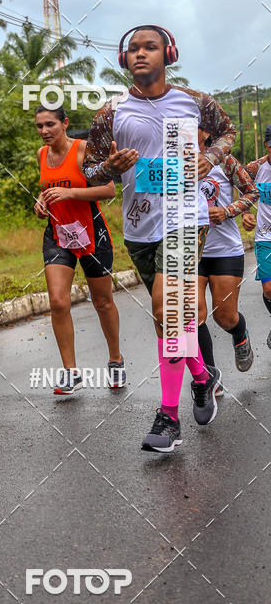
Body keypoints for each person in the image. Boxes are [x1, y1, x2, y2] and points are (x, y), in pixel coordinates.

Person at [83, 24, 236, 452]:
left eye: (150, 46)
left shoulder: (194, 102)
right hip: (140, 227)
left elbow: (228, 132)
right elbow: (91, 170)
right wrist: (111, 166)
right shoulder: (109, 113)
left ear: (168, 53)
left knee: (167, 307)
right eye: (132, 49)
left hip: (186, 218)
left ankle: (168, 419)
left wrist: (209, 156)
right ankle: (202, 377)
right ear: (123, 59)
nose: (140, 54)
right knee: (170, 318)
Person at [33, 105, 124, 395]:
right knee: (58, 301)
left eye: (51, 124)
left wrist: (71, 192)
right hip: (58, 235)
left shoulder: (84, 150)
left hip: (91, 233)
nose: (45, 131)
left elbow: (109, 189)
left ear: (65, 123)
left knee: (102, 301)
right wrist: (41, 202)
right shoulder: (41, 154)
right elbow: (48, 188)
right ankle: (70, 371)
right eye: (39, 126)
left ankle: (115, 360)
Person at [197, 128, 257, 390]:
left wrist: (228, 210)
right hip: (190, 250)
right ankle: (209, 377)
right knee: (192, 316)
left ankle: (240, 335)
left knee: (225, 317)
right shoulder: (173, 160)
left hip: (224, 250)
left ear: (205, 131)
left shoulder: (223, 160)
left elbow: (251, 192)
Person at [243, 124, 271, 347]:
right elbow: (242, 188)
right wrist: (245, 213)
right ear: (266, 146)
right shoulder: (255, 168)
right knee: (269, 288)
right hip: (265, 236)